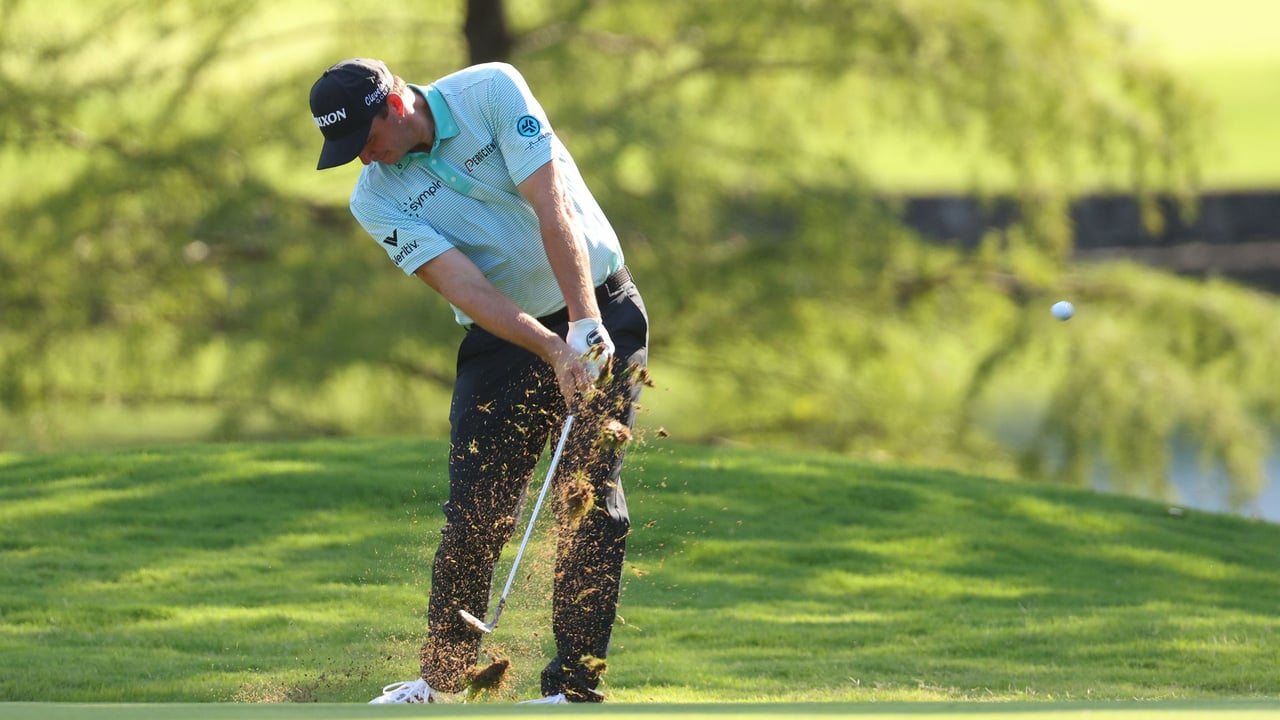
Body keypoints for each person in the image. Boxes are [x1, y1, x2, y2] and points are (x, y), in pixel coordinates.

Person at [308, 58, 648, 704]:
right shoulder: (373, 198)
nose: (364, 159)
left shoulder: (492, 90)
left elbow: (551, 203)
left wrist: (583, 325)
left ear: (395, 106)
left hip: (602, 308)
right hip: (503, 339)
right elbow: (461, 284)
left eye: (366, 140)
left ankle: (573, 691)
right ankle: (441, 683)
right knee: (474, 514)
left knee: (585, 495)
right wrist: (552, 348)